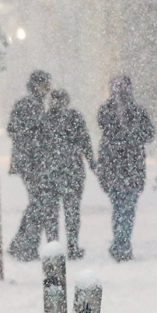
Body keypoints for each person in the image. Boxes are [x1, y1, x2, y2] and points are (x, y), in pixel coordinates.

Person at [96, 75, 154, 261]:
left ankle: (121, 243)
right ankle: (121, 243)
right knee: (124, 207)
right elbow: (147, 134)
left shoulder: (127, 110)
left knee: (123, 207)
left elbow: (148, 133)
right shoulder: (114, 111)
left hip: (124, 167)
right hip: (123, 167)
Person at [7, 70, 54, 261]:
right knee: (39, 204)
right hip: (31, 163)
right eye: (46, 85)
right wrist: (35, 142)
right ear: (37, 85)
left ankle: (21, 243)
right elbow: (17, 130)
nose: (48, 89)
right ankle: (26, 246)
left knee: (37, 204)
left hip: (30, 162)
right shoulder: (30, 104)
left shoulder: (33, 103)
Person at [41, 90, 93, 259]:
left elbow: (36, 146)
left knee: (51, 213)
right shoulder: (74, 117)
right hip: (72, 171)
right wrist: (92, 162)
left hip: (50, 172)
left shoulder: (45, 119)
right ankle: (72, 246)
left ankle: (53, 247)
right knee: (72, 212)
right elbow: (85, 141)